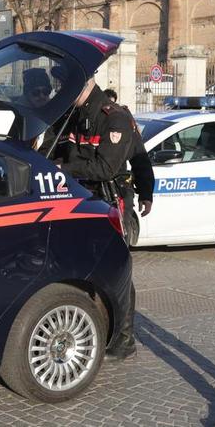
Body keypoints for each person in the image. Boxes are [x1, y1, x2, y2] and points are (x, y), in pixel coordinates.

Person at [54, 76, 139, 360]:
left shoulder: (114, 118)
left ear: (86, 80)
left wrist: (62, 168)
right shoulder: (73, 116)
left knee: (117, 271)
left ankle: (124, 340)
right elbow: (53, 151)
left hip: (109, 200)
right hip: (79, 200)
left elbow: (104, 167)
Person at [104, 89, 155, 238]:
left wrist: (145, 193)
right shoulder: (85, 119)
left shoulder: (124, 122)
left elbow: (140, 159)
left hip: (118, 192)